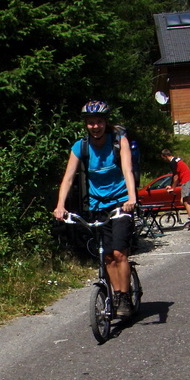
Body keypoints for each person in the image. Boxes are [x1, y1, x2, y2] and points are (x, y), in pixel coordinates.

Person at [54, 100, 138, 317]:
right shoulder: (80, 147)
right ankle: (117, 295)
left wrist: (132, 198)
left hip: (121, 203)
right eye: (91, 123)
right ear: (86, 125)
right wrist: (60, 205)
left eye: (99, 122)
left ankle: (124, 297)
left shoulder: (119, 141)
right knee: (107, 255)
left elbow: (128, 171)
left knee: (119, 252)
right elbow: (68, 177)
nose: (95, 127)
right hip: (97, 206)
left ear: (105, 122)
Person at [160, 149, 190, 220]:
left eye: (163, 158)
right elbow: (175, 175)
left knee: (185, 201)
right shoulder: (175, 160)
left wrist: (173, 188)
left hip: (186, 181)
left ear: (165, 156)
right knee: (183, 201)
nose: (164, 160)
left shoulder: (172, 162)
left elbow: (176, 177)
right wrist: (171, 185)